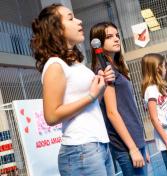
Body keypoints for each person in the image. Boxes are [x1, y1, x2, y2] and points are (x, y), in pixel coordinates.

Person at [31, 4, 115, 176]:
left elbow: (89, 106)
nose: (79, 21)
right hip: (81, 150)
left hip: (97, 145)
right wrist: (91, 95)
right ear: (56, 29)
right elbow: (51, 116)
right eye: (70, 18)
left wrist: (99, 88)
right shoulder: (55, 65)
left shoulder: (75, 64)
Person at [90, 22, 148, 176]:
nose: (116, 39)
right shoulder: (104, 71)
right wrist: (133, 148)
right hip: (125, 144)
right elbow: (112, 112)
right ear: (99, 42)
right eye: (109, 37)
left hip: (135, 138)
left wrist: (141, 145)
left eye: (117, 35)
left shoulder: (116, 67)